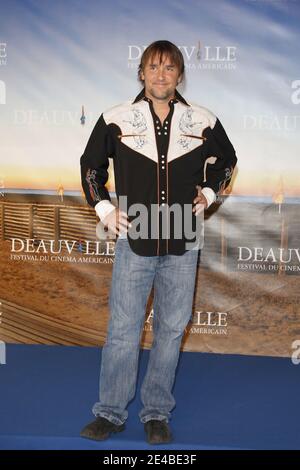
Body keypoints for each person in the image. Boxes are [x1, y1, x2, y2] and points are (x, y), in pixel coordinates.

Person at [80, 40, 237, 444]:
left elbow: (228, 160)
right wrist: (104, 210)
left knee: (170, 329)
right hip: (135, 240)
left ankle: (156, 413)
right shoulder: (116, 118)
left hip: (184, 242)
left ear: (179, 75)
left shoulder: (201, 119)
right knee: (123, 330)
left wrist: (210, 193)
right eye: (153, 67)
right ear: (142, 74)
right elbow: (90, 167)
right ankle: (111, 413)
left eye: (169, 68)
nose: (161, 75)